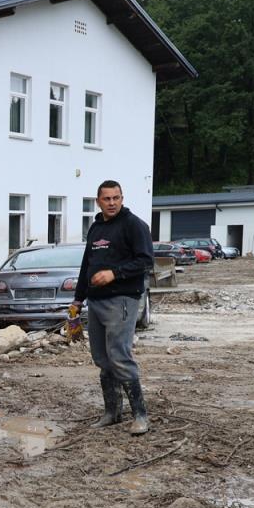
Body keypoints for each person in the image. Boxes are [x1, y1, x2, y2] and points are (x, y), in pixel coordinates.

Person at [71, 180, 155, 435]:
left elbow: (146, 261)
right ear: (98, 201)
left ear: (122, 198)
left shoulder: (133, 225)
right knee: (102, 358)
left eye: (116, 198)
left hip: (122, 300)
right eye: (106, 199)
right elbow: (87, 265)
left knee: (119, 355)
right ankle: (112, 413)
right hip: (95, 301)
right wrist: (77, 300)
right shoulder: (96, 228)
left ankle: (140, 415)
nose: (111, 203)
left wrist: (114, 273)